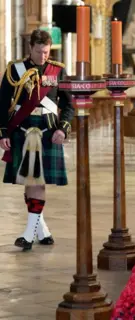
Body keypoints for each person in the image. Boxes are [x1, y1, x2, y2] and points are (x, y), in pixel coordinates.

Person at [0, 29, 74, 251]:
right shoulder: (15, 70)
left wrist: (63, 128)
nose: (43, 56)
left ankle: (29, 235)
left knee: (36, 182)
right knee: (29, 180)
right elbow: (3, 102)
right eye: (39, 51)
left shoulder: (57, 71)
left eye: (46, 52)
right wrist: (3, 132)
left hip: (48, 132)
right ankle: (41, 230)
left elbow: (69, 105)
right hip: (21, 130)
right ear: (30, 48)